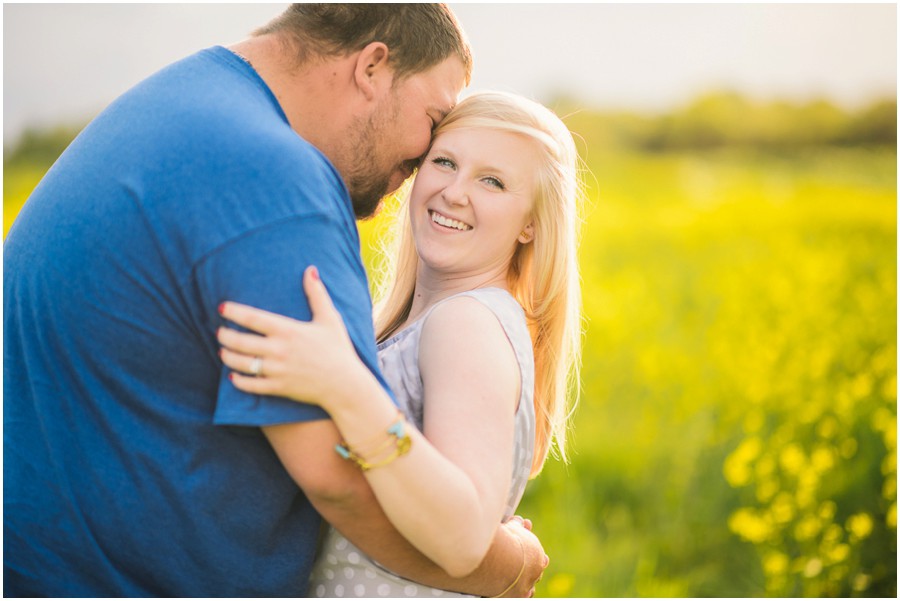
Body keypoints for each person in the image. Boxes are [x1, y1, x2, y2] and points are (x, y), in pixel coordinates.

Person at [3, 5, 546, 597]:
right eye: (433, 120)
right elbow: (340, 481)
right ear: (372, 67)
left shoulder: (181, 101)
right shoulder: (276, 185)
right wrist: (508, 563)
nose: (424, 156)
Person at [217, 91, 584, 597]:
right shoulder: (427, 321)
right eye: (445, 162)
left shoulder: (467, 323)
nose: (456, 192)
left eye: (493, 181)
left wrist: (344, 385)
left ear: (531, 226)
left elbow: (463, 538)